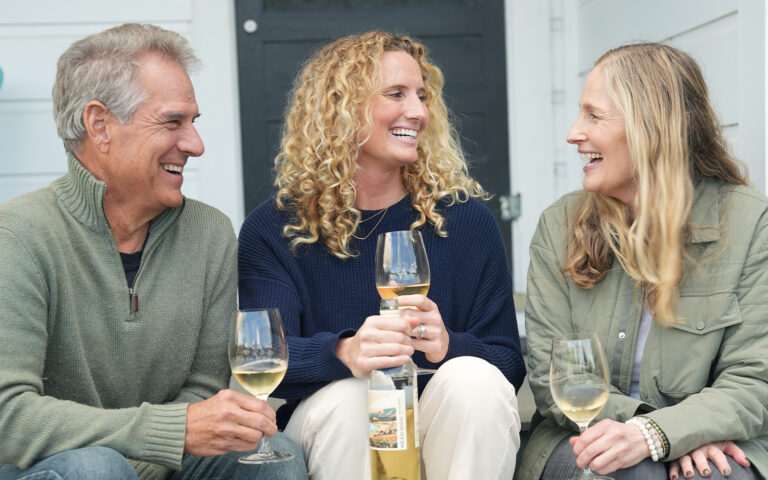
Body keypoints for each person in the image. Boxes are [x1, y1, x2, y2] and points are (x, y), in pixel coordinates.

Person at [0, 24, 306, 480]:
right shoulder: (19, 235)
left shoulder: (209, 234)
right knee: (96, 469)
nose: (195, 145)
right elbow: (9, 416)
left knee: (271, 453)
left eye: (193, 123)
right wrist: (166, 433)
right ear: (99, 125)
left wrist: (150, 456)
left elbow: (202, 391)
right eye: (172, 122)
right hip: (57, 470)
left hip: (166, 466)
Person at [238, 31, 525, 479]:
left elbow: (508, 362)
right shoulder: (276, 228)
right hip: (338, 424)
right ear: (342, 108)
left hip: (441, 420)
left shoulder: (465, 221)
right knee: (356, 397)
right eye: (396, 94)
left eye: (422, 96)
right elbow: (268, 359)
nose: (418, 111)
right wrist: (343, 352)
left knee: (474, 380)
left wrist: (450, 346)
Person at [518, 42, 768, 480]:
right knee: (634, 475)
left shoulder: (751, 223)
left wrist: (663, 433)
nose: (574, 133)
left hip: (721, 444)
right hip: (579, 436)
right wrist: (657, 433)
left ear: (650, 127)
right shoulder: (560, 224)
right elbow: (552, 379)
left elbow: (754, 381)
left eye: (594, 116)